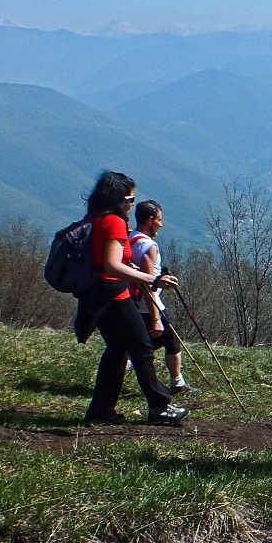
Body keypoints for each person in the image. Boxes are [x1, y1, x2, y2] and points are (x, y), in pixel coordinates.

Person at [75, 172, 189, 427]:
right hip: (115, 293)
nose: (131, 204)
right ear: (118, 198)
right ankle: (159, 407)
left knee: (117, 351)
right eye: (130, 198)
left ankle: (101, 410)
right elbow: (112, 265)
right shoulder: (114, 222)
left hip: (96, 297)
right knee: (142, 347)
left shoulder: (94, 219)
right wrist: (152, 280)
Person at [128, 200, 199, 396]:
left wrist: (161, 279)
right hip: (149, 305)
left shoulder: (129, 238)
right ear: (150, 220)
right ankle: (177, 383)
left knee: (144, 343)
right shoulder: (149, 246)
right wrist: (155, 318)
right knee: (171, 341)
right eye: (159, 219)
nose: (161, 224)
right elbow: (147, 283)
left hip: (131, 303)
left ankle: (124, 365)